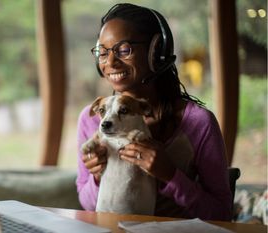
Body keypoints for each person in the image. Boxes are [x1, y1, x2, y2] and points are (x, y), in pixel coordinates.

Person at [76, 3, 232, 221]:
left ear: (156, 52)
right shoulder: (92, 119)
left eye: (123, 50)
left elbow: (222, 213)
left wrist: (170, 176)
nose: (110, 62)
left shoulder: (198, 123)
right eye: (102, 52)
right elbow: (86, 202)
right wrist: (97, 177)